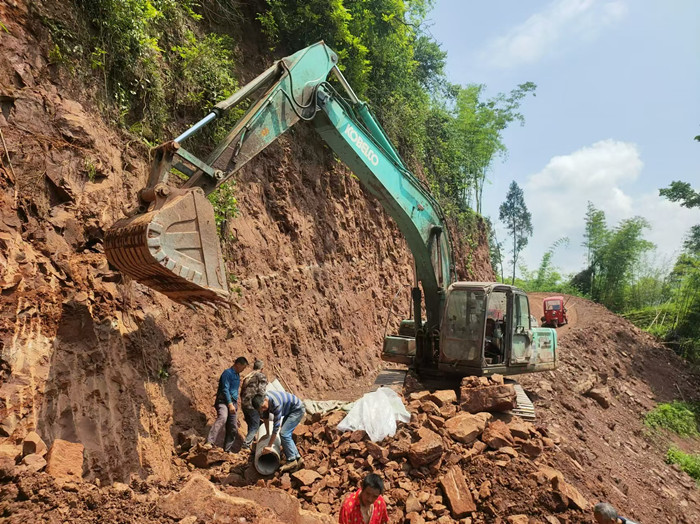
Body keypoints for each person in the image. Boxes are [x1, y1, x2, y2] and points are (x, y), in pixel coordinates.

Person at [252, 390, 306, 473]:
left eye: (263, 407)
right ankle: (298, 459)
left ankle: (291, 460)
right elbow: (266, 418)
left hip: (297, 410)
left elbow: (276, 427)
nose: (263, 409)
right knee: (285, 434)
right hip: (290, 410)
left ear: (265, 399)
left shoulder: (276, 404)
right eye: (260, 409)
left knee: (284, 433)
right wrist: (267, 433)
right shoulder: (265, 402)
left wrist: (269, 446)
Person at [206, 356, 248, 452]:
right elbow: (225, 389)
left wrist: (234, 404)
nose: (243, 370)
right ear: (238, 364)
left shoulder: (237, 375)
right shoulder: (227, 373)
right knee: (223, 417)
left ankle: (227, 450)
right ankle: (209, 442)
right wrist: (229, 403)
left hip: (233, 403)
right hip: (223, 402)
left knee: (233, 427)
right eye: (243, 367)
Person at [240, 359, 268, 450]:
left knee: (251, 425)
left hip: (244, 404)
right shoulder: (261, 376)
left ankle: (251, 444)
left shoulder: (248, 377)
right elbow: (262, 392)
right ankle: (246, 445)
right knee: (255, 426)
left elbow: (242, 392)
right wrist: (262, 409)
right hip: (253, 405)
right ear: (262, 368)